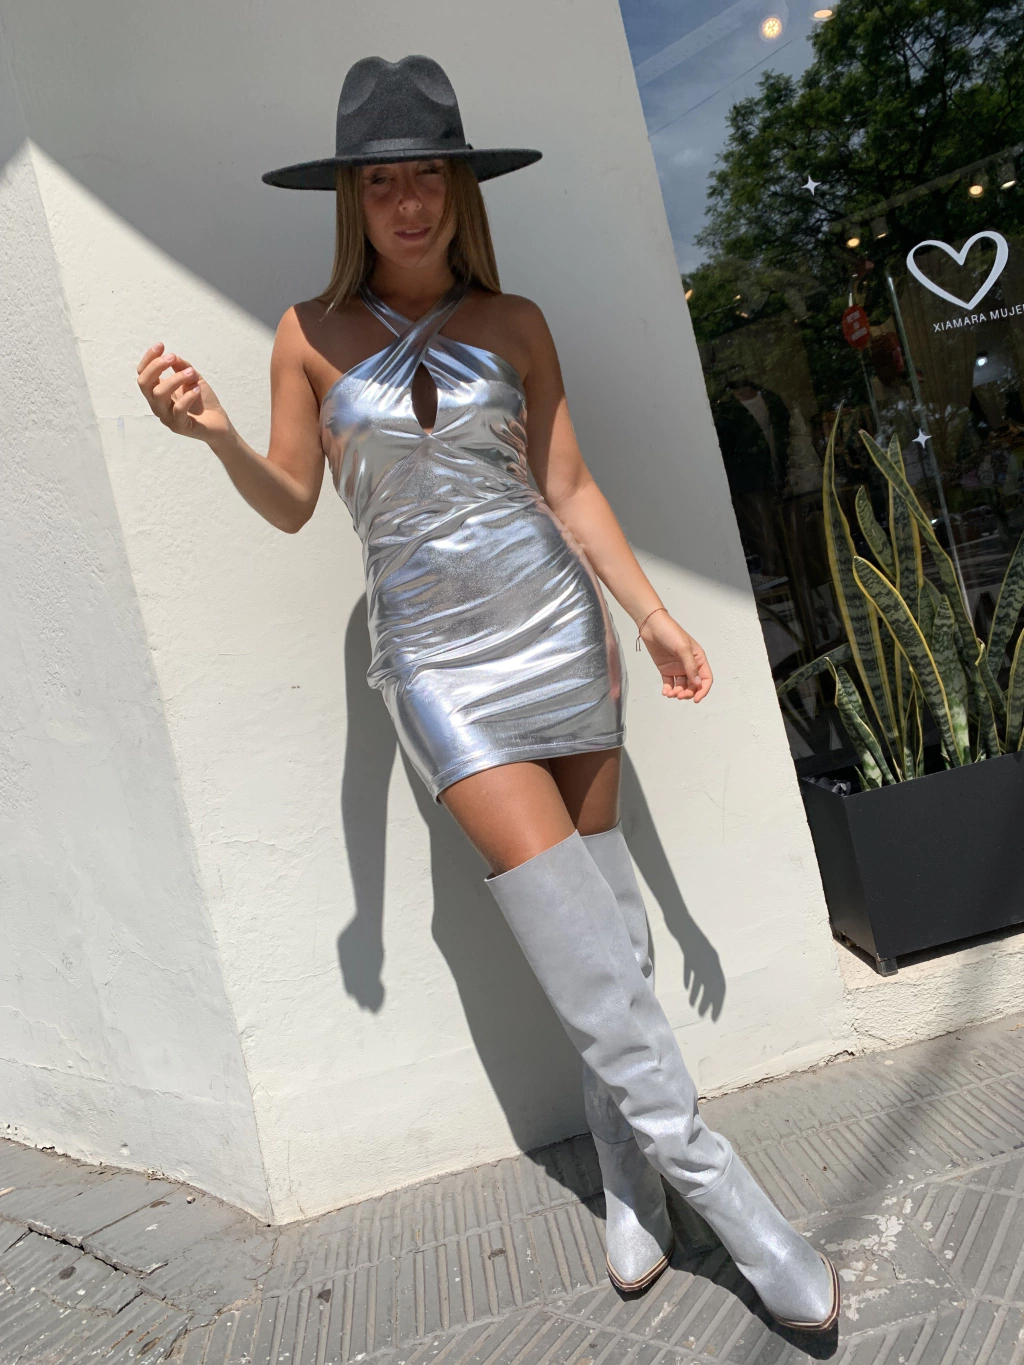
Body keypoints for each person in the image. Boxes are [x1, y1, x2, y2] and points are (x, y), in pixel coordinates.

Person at [136, 55, 839, 1327]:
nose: (408, 202)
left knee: (611, 927)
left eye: (428, 177)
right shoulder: (306, 334)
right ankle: (723, 1189)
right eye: (381, 181)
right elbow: (293, 504)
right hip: (437, 666)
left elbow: (566, 485)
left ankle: (626, 1168)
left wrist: (652, 614)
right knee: (569, 932)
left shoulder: (515, 323)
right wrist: (216, 433)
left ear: (461, 189)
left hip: (558, 634)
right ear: (350, 198)